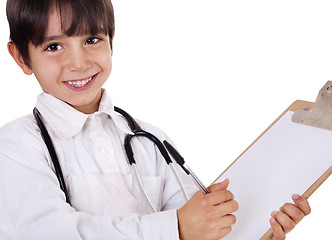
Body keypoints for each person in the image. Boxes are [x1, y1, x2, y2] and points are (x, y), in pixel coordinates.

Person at [0, 0, 311, 239]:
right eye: (54, 46)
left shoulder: (150, 139)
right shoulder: (16, 147)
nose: (78, 63)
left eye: (91, 40)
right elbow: (50, 232)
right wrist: (175, 226)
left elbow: (196, 229)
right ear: (21, 57)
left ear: (111, 38)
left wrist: (258, 227)